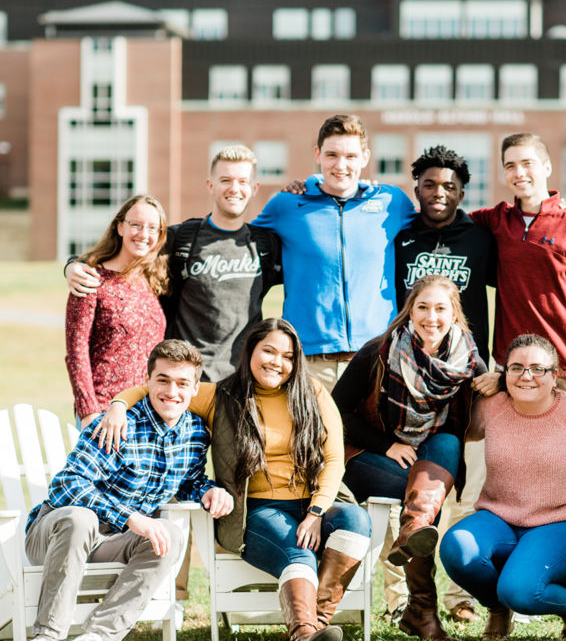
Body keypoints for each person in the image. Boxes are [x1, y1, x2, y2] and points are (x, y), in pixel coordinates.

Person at [100, 318, 372, 641]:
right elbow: (160, 387)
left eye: (286, 356)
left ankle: (312, 626)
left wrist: (317, 512)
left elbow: (334, 457)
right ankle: (305, 634)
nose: (276, 362)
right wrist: (118, 406)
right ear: (251, 352)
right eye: (268, 351)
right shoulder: (220, 396)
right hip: (257, 511)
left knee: (356, 520)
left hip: (311, 505)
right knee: (297, 550)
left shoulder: (313, 393)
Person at [471, 131, 566, 620]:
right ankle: (499, 602)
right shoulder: (495, 223)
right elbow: (442, 220)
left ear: (548, 168)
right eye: (511, 165)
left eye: (529, 163)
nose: (520, 173)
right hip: (514, 378)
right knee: (503, 479)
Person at [18, 340, 233, 641]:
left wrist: (211, 491)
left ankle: (95, 640)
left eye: (181, 383)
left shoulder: (194, 432)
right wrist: (131, 517)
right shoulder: (117, 424)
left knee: (170, 538)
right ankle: (46, 640)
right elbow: (67, 485)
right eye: (162, 380)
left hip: (112, 545)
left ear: (194, 389)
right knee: (80, 517)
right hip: (55, 535)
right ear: (147, 381)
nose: (171, 391)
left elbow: (189, 479)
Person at [332, 275, 493, 641]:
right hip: (368, 457)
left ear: (454, 314)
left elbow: (486, 408)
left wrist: (495, 383)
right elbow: (334, 410)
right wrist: (384, 443)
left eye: (441, 308)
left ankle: (415, 545)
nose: (431, 317)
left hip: (427, 465)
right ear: (410, 311)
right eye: (423, 307)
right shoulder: (380, 352)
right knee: (424, 499)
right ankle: (422, 610)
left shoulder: (467, 360)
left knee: (447, 445)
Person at [439, 334, 566, 641]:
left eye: (538, 369)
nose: (527, 376)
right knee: (457, 547)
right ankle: (498, 609)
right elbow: (451, 426)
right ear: (504, 374)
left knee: (521, 591)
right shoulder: (492, 408)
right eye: (517, 368)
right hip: (500, 519)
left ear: (555, 376)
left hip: (565, 525)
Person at [66, 145, 282, 382]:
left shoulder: (265, 246)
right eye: (225, 180)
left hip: (240, 382)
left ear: (254, 188)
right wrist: (73, 265)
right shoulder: (181, 239)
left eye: (243, 181)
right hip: (185, 383)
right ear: (210, 185)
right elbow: (125, 248)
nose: (234, 188)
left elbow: (311, 268)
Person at [394, 145, 497, 624]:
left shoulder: (480, 236)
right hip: (409, 377)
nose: (439, 194)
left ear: (463, 193)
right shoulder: (399, 235)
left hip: (470, 381)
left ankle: (459, 595)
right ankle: (401, 597)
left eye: (450, 187)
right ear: (416, 188)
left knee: (468, 490)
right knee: (409, 488)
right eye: (430, 185)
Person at [251, 114, 416, 391]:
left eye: (351, 156)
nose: (341, 165)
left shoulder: (391, 201)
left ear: (365, 157)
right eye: (332, 155)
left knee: (374, 437)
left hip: (377, 360)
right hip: (311, 363)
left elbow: (432, 230)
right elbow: (240, 240)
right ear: (317, 154)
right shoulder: (287, 204)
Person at [65, 195, 169, 429]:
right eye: (136, 225)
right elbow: (76, 352)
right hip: (104, 410)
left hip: (146, 412)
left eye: (152, 228)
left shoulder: (153, 280)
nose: (144, 234)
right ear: (120, 227)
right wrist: (88, 412)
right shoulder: (91, 280)